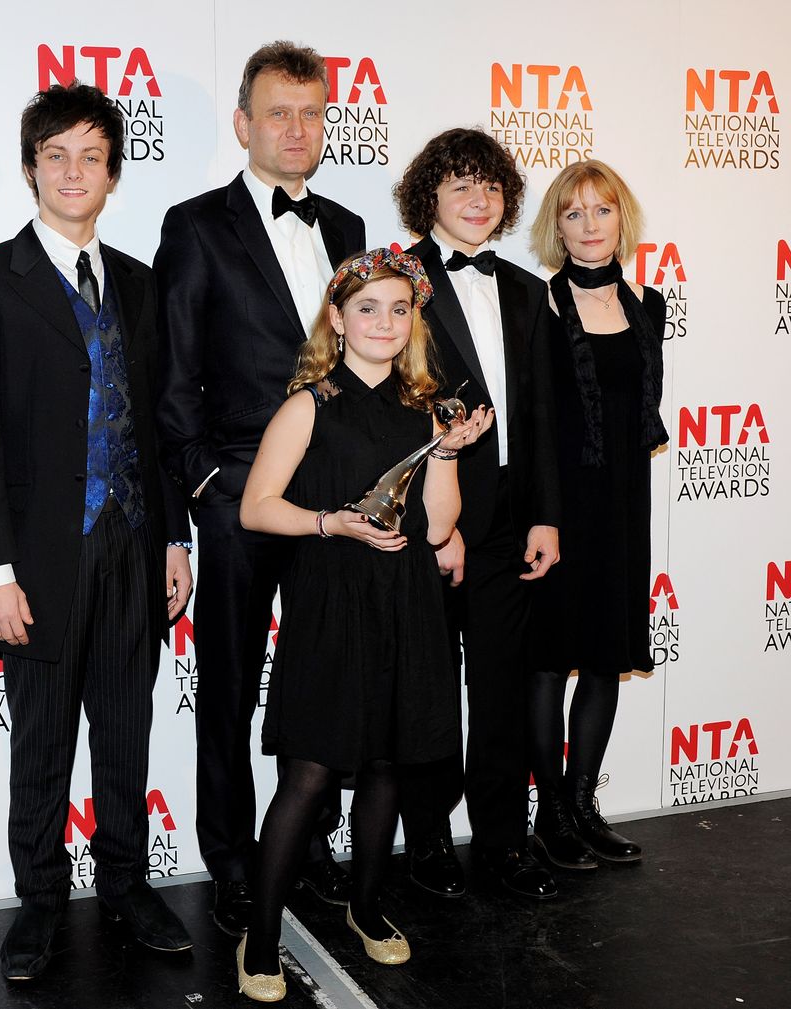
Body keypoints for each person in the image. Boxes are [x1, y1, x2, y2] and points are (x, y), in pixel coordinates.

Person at [0, 81, 194, 981]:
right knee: (41, 741)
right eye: (56, 156)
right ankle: (41, 900)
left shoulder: (139, 282)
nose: (73, 171)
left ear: (114, 173)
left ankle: (127, 885)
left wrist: (175, 540)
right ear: (30, 169)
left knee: (126, 731)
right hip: (38, 559)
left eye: (91, 155)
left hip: (132, 541)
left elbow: (163, 424)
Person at [236, 249, 492, 1001]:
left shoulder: (428, 411)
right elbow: (256, 507)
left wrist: (444, 452)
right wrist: (332, 523)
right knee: (310, 773)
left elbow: (441, 524)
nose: (385, 321)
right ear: (339, 320)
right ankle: (259, 935)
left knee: (389, 764)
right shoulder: (308, 404)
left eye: (399, 308)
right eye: (368, 308)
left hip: (407, 602)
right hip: (329, 600)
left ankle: (367, 905)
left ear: (414, 321)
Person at [154, 41, 366, 934]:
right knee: (231, 690)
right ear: (243, 123)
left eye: (312, 112)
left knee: (319, 683)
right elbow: (170, 376)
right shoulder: (196, 224)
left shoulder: (350, 230)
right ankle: (234, 860)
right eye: (277, 112)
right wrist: (205, 483)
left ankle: (306, 846)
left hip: (334, 505)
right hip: (238, 497)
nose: (296, 129)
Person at [393, 128, 561, 900]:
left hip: (506, 527)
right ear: (428, 195)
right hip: (428, 524)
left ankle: (502, 840)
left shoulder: (527, 291)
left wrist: (545, 516)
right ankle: (426, 838)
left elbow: (543, 421)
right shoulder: (397, 283)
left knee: (499, 689)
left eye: (489, 186)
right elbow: (386, 412)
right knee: (427, 689)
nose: (476, 199)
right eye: (459, 184)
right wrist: (436, 523)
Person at [526, 160, 667, 869]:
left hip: (622, 502)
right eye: (574, 213)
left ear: (622, 219)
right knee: (550, 660)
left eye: (601, 211)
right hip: (558, 506)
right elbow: (538, 423)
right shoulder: (539, 304)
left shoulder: (650, 301)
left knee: (605, 656)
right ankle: (549, 812)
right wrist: (542, 514)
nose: (589, 225)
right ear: (558, 225)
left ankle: (583, 804)